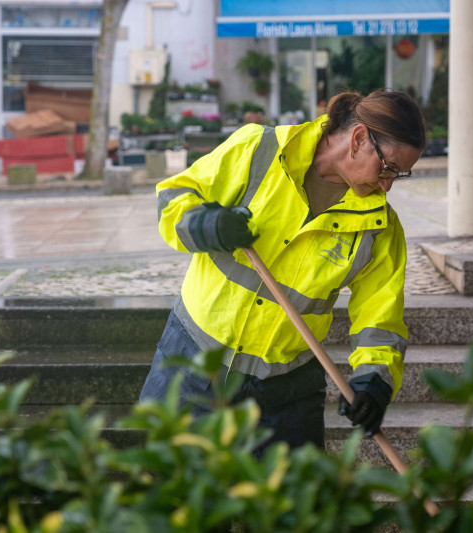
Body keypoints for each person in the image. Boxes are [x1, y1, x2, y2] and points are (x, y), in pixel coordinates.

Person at [140, 89, 426, 450]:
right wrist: (204, 224)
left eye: (399, 175)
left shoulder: (380, 227)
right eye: (388, 168)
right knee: (170, 494)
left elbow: (380, 321)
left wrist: (375, 380)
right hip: (192, 362)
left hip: (286, 394)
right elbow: (173, 198)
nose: (386, 184)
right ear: (358, 139)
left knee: (288, 507)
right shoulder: (258, 149)